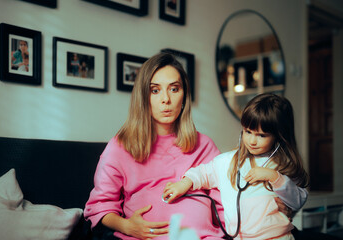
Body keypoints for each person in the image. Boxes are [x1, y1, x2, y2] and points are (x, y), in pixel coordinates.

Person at [84, 53, 304, 240]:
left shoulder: (204, 145)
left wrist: (273, 207)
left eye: (174, 88)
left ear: (184, 95)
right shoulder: (120, 146)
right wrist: (127, 226)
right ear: (144, 96)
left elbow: (230, 200)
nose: (166, 100)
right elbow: (99, 206)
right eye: (155, 90)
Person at [163, 93, 310, 240]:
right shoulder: (228, 161)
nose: (252, 141)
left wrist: (274, 177)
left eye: (261, 135)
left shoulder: (283, 166)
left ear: (278, 136)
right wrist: (184, 183)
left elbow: (298, 201)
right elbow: (203, 172)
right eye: (248, 132)